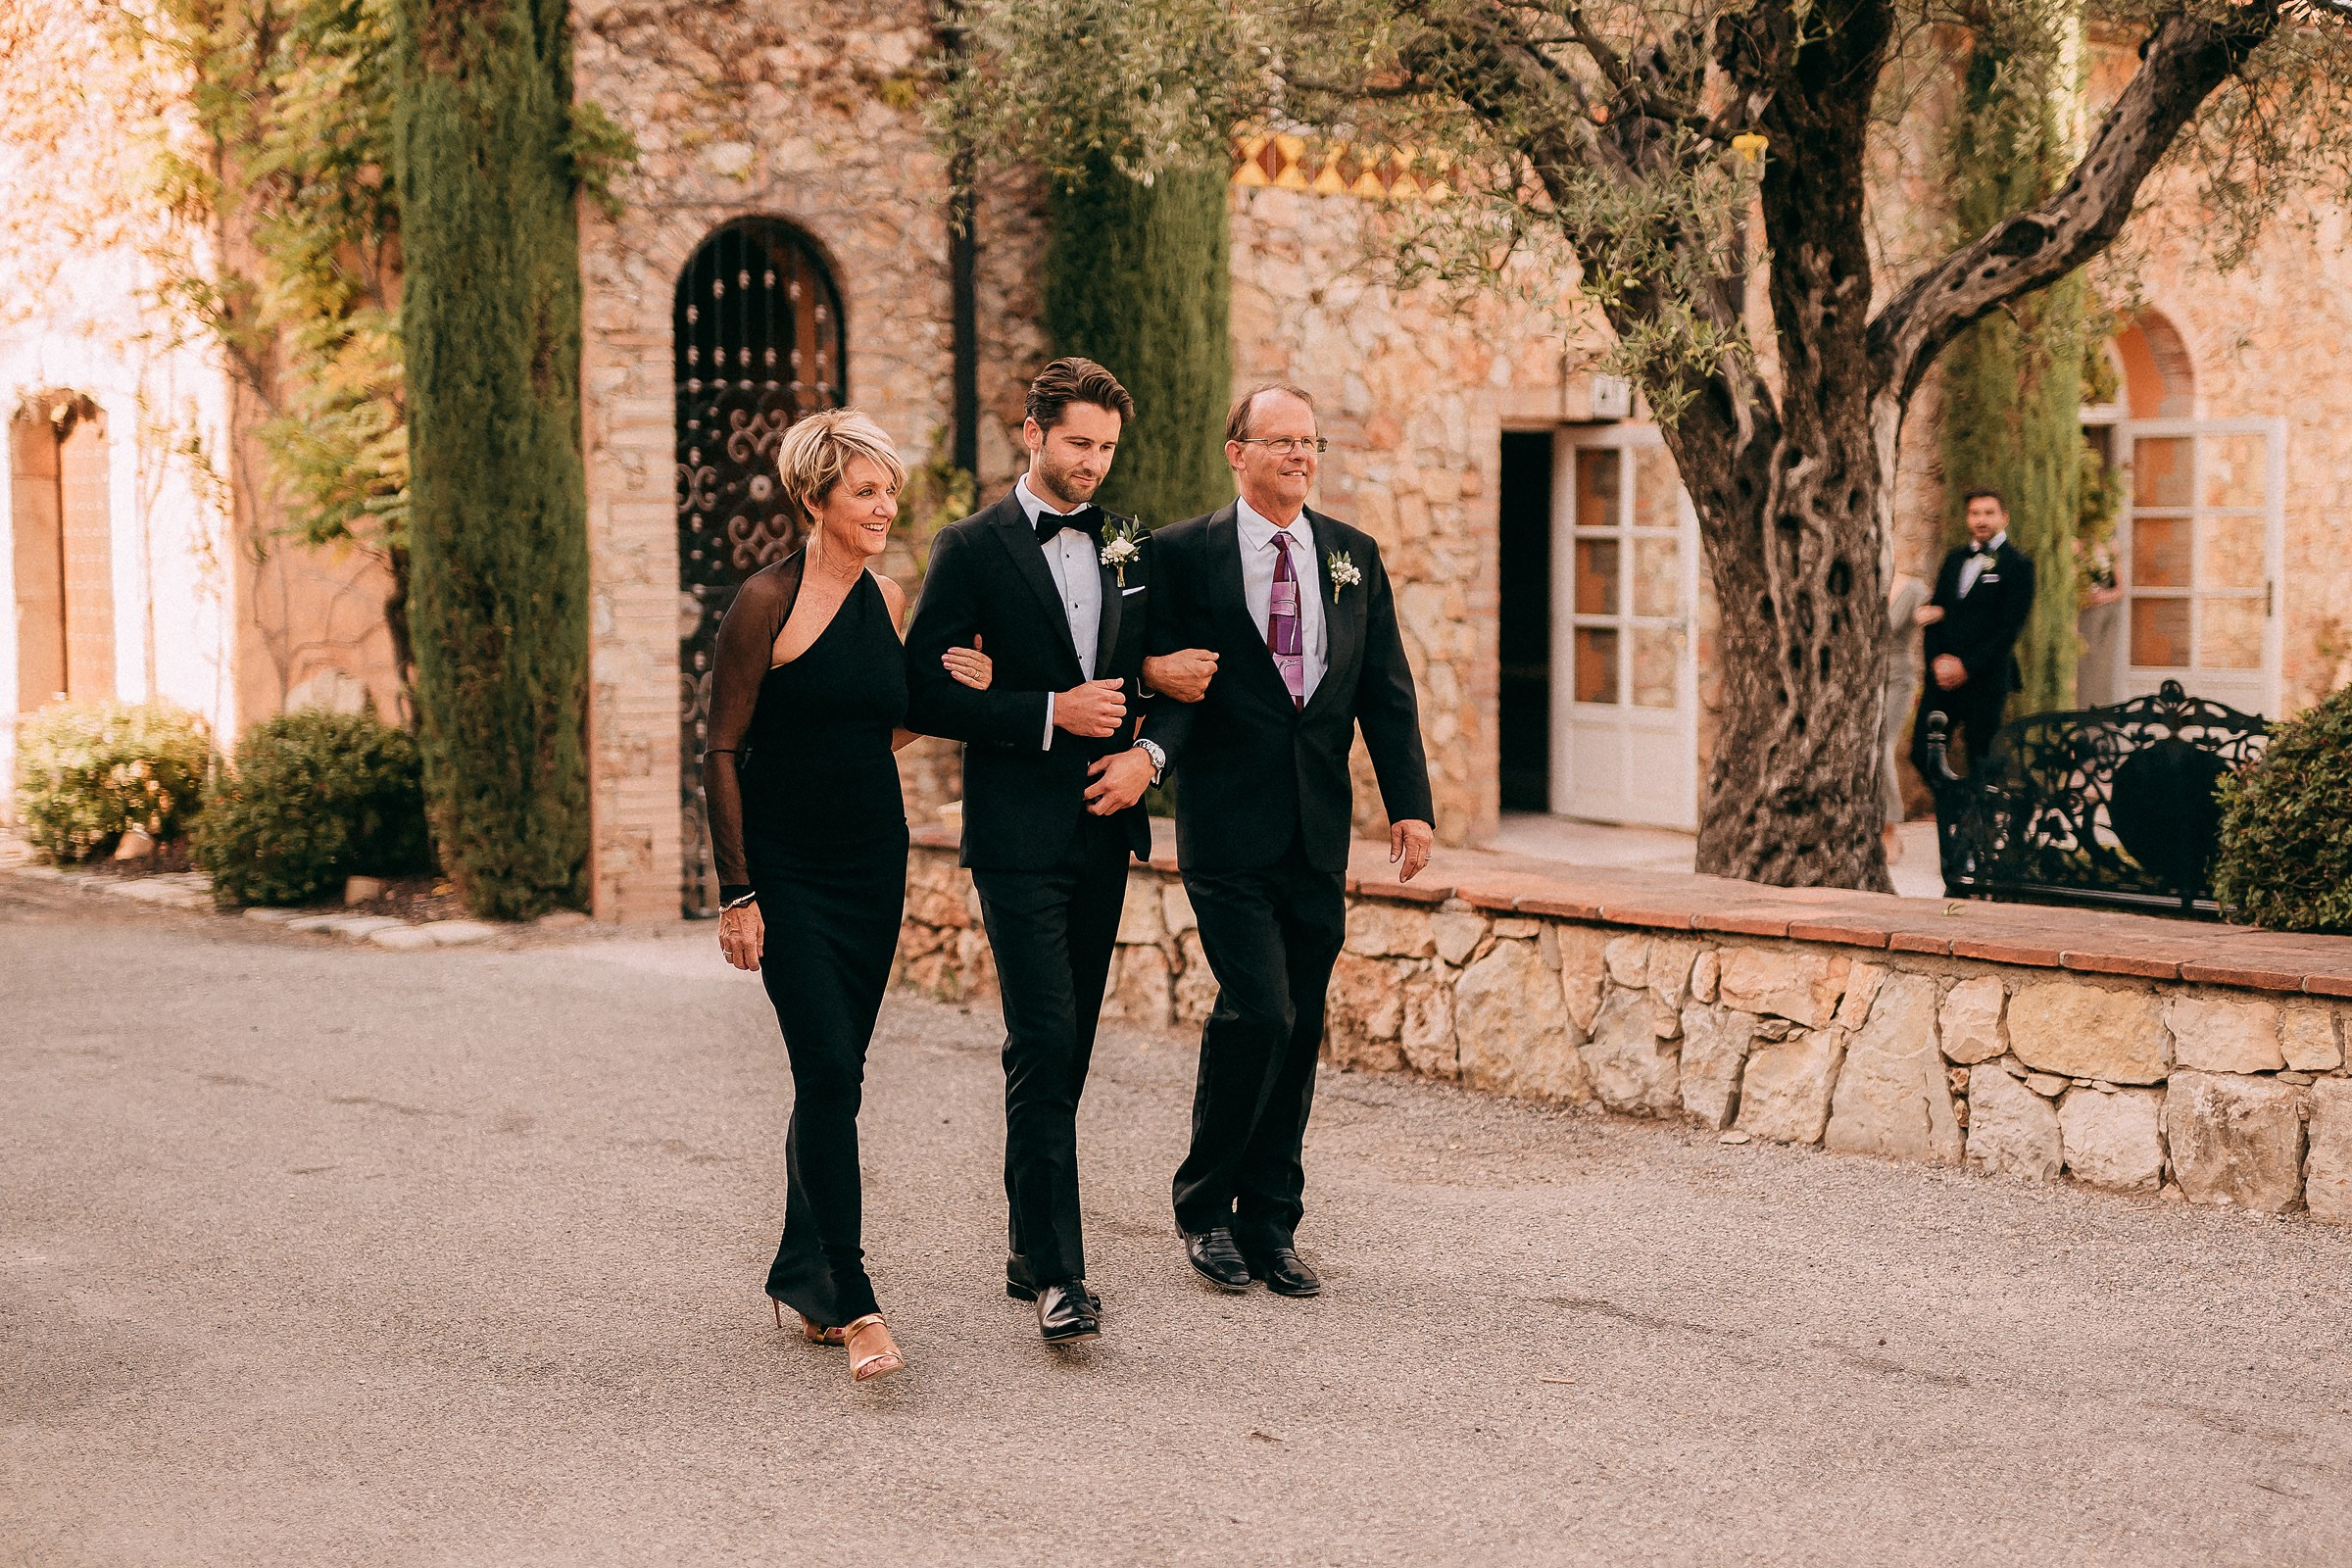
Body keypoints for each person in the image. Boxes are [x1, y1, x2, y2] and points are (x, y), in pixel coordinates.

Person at [903, 358, 1216, 1346]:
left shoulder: (1128, 543)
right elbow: (920, 694)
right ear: (1032, 433)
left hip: (1104, 825)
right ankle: (1063, 1279)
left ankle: (1024, 1241)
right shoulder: (970, 548)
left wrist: (1147, 759)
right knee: (1044, 1039)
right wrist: (1045, 710)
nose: (1094, 463)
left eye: (1108, 448)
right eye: (1079, 442)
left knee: (1064, 1045)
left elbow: (1180, 681)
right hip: (1015, 836)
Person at [701, 408, 994, 1384]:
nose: (884, 506)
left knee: (838, 1076)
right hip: (787, 869)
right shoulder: (765, 602)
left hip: (874, 862)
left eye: (889, 491)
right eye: (866, 490)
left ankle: (800, 1271)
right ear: (815, 495)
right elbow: (723, 748)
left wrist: (965, 687)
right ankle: (856, 1300)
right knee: (827, 1072)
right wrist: (736, 890)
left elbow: (887, 726)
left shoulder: (889, 593)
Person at [1138, 382, 1435, 1299]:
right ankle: (1203, 1208)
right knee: (1259, 1008)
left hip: (1318, 830)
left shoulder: (1353, 555)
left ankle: (1271, 1223)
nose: (1300, 457)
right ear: (1238, 452)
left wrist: (1410, 804)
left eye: (1310, 442)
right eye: (1280, 442)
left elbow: (1386, 689)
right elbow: (1144, 662)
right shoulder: (1184, 553)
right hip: (1225, 825)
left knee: (1300, 1023)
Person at [1910, 488, 2036, 780]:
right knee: (1921, 752)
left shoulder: (2018, 566)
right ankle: (1957, 810)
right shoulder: (1954, 560)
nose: (1981, 520)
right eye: (1975, 513)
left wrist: (1966, 667)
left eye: (1989, 513)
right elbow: (1936, 612)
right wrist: (1937, 663)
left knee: (1982, 759)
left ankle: (1981, 822)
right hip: (1942, 677)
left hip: (1985, 678)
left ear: (2004, 517)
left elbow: (2009, 630)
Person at [1882, 568, 1931, 862]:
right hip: (1865, 681)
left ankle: (1889, 826)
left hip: (1898, 680)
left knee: (1882, 747)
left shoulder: (1914, 588)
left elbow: (1951, 611)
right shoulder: (1867, 583)